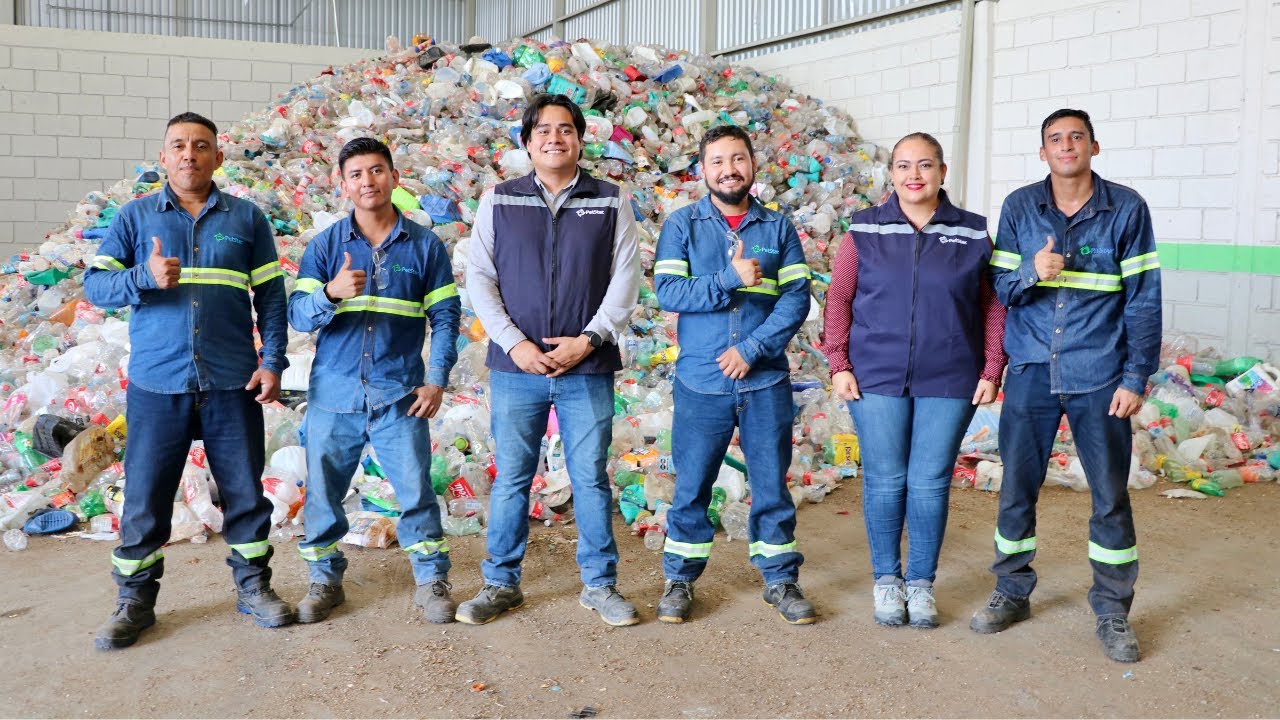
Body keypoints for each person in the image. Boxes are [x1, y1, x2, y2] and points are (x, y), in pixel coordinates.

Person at [84, 112, 293, 649]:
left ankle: (254, 588)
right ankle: (135, 601)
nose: (189, 154)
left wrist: (273, 361)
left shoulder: (247, 219)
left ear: (218, 158)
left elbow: (270, 297)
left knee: (244, 493)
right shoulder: (134, 218)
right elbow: (95, 288)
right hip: (158, 384)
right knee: (146, 500)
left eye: (201, 146)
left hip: (232, 382)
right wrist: (142, 278)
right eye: (178, 145)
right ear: (163, 157)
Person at [973, 109, 1161, 663]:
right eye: (1055, 139)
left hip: (1099, 375)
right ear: (1043, 153)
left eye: (1076, 137)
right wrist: (1034, 271)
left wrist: (1135, 376)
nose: (1066, 145)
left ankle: (1112, 611)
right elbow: (1001, 289)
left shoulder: (1126, 208)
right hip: (1031, 369)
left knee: (1109, 497)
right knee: (1016, 490)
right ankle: (1011, 590)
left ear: (1094, 147)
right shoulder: (1019, 208)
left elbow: (1143, 299)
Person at [460, 93, 641, 626]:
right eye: (543, 130)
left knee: (589, 476)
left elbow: (625, 279)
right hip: (517, 369)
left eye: (566, 130)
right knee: (513, 476)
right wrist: (516, 343)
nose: (554, 138)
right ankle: (500, 583)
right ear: (526, 141)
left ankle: (601, 586)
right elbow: (479, 278)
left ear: (581, 140)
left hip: (586, 367)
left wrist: (589, 339)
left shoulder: (610, 201)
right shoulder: (499, 200)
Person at [819, 132, 1007, 628]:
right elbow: (839, 299)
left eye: (925, 165)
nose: (914, 175)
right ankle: (887, 580)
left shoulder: (972, 234)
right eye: (903, 166)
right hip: (875, 373)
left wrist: (992, 368)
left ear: (943, 172)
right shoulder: (865, 229)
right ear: (892, 175)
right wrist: (838, 363)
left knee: (928, 483)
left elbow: (993, 306)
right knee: (885, 480)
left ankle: (921, 584)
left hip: (951, 374)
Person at [287, 138, 461, 623]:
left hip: (399, 394)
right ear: (343, 185)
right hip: (334, 395)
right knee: (322, 495)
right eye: (357, 174)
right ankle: (324, 581)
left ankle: (431, 580)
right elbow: (300, 316)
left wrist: (437, 380)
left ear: (394, 178)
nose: (368, 181)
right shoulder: (325, 247)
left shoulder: (425, 247)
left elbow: (446, 318)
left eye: (377, 171)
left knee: (416, 492)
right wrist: (331, 292)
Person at [652, 124, 815, 625]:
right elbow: (668, 294)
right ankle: (680, 578)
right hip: (702, 382)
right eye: (718, 161)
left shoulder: (778, 228)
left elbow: (796, 299)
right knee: (692, 487)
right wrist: (729, 278)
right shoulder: (683, 225)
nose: (729, 169)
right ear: (703, 170)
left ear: (752, 165)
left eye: (738, 159)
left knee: (771, 486)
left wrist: (752, 347)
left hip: (764, 380)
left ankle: (780, 579)